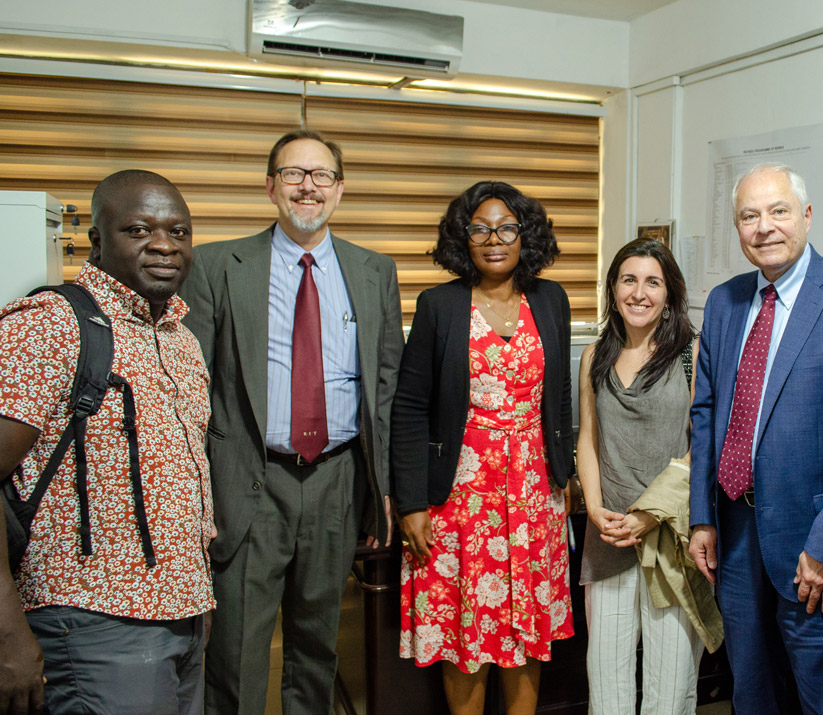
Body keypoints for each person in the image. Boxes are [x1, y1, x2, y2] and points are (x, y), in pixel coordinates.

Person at [180, 128, 404, 714]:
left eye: (321, 175)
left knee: (317, 647)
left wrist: (383, 488)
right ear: (271, 186)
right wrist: (195, 495)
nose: (309, 186)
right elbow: (187, 391)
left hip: (337, 481)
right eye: (294, 174)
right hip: (250, 480)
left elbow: (385, 388)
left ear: (340, 188)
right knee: (236, 651)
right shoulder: (216, 266)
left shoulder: (374, 270)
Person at [0, 170, 213, 714]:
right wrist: (7, 638)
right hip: (91, 622)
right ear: (97, 240)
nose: (165, 244)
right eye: (139, 230)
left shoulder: (180, 337)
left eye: (179, 231)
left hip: (185, 612)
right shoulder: (48, 325)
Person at [688, 163, 823, 714]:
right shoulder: (724, 301)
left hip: (811, 541)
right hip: (734, 535)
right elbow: (705, 412)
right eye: (749, 216)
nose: (764, 227)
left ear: (807, 216)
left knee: (821, 695)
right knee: (752, 690)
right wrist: (702, 516)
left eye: (778, 211)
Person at [392, 180, 574, 715]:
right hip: (458, 502)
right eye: (479, 228)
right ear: (462, 238)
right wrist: (410, 503)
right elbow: (408, 409)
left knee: (527, 628)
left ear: (526, 235)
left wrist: (565, 473)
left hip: (535, 495)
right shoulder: (439, 306)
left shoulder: (552, 299)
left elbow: (558, 394)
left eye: (506, 227)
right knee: (463, 631)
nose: (494, 239)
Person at [577, 238, 723, 715]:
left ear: (669, 294)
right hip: (609, 538)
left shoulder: (691, 354)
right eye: (628, 280)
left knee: (670, 684)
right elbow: (588, 438)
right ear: (613, 288)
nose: (639, 293)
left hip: (672, 539)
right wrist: (596, 509)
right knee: (608, 681)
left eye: (653, 282)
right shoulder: (594, 355)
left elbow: (700, 445)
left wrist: (647, 515)